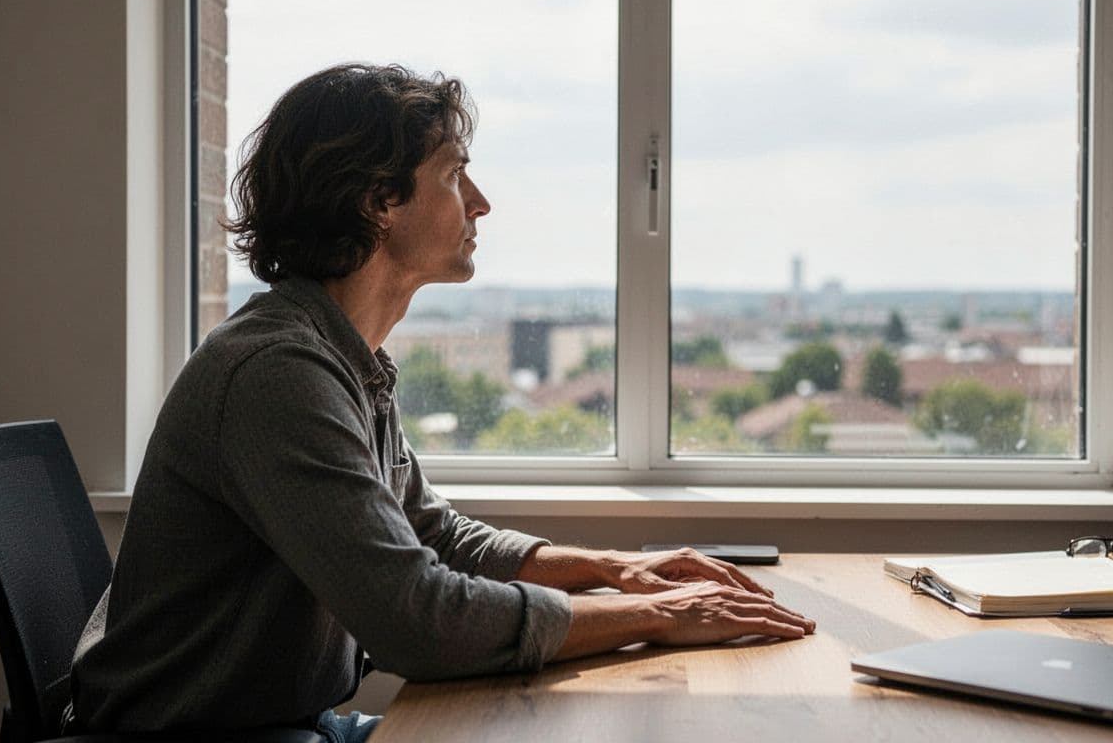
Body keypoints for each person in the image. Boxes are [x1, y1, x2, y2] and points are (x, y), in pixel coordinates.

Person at [68, 63, 814, 742]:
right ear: (376, 201)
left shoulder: (343, 359)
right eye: (456, 175)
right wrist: (657, 616)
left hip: (290, 723)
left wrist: (617, 570)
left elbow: (437, 537)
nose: (481, 203)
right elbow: (415, 620)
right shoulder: (276, 372)